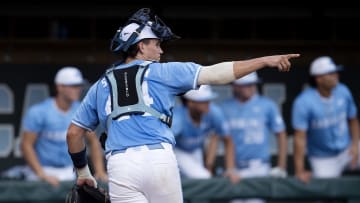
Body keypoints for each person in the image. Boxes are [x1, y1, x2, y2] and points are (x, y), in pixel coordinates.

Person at [66, 8, 299, 203]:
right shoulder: (163, 71)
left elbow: (74, 133)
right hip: (159, 159)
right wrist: (265, 60)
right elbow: (218, 74)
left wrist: (83, 172)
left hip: (121, 165)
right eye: (156, 44)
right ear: (140, 46)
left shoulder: (100, 84)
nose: (161, 50)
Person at [21, 66, 108, 187]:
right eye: (73, 86)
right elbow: (26, 145)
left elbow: (93, 142)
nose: (78, 89)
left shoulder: (81, 110)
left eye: (79, 86)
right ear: (60, 87)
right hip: (41, 171)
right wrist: (41, 173)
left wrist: (99, 171)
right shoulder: (39, 111)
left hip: (69, 171)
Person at [220, 71, 288, 203]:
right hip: (236, 168)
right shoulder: (225, 107)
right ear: (235, 86)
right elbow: (223, 139)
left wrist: (282, 165)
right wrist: (229, 168)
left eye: (253, 84)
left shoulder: (267, 105)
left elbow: (281, 134)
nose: (251, 88)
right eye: (246, 85)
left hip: (259, 167)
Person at [292, 56, 360, 183]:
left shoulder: (343, 90)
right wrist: (299, 170)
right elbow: (299, 138)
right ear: (318, 78)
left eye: (335, 72)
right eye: (330, 73)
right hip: (322, 158)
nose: (336, 75)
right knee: (323, 192)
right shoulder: (303, 102)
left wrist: (355, 145)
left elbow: (353, 119)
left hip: (347, 149)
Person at [171, 85, 238, 181]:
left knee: (200, 181)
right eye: (203, 101)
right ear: (190, 102)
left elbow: (227, 140)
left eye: (208, 100)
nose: (208, 103)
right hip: (177, 150)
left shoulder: (214, 112)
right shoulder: (178, 117)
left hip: (196, 150)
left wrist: (230, 169)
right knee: (203, 177)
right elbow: (165, 144)